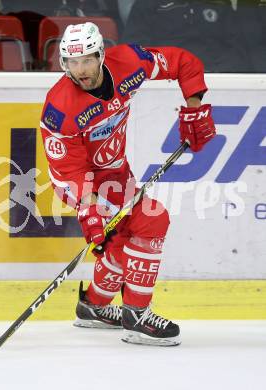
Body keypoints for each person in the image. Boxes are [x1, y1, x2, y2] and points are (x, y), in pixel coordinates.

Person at [40, 22, 216, 346]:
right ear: (63, 63)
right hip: (78, 182)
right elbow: (69, 171)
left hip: (117, 174)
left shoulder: (129, 64)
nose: (80, 70)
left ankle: (93, 306)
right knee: (152, 219)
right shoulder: (59, 108)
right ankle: (136, 315)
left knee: (121, 244)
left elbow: (182, 62)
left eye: (87, 60)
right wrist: (89, 209)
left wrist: (196, 109)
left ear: (101, 55)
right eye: (71, 62)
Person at [120, 0, 248, 73]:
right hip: (166, 81)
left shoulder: (219, 4)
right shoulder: (147, 4)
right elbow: (134, 49)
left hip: (216, 78)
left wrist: (218, 74)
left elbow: (237, 46)